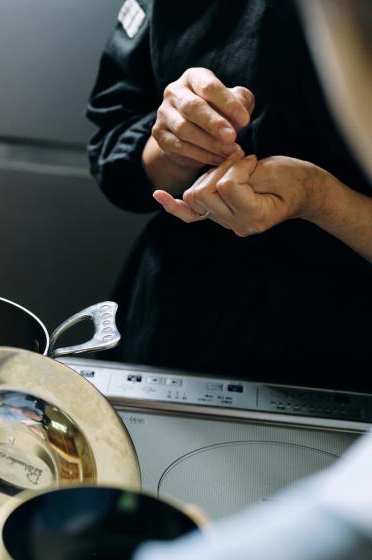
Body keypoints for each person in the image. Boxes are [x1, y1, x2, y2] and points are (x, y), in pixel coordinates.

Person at [87, 0, 372, 391]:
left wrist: (319, 198)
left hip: (345, 354)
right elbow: (115, 150)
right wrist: (174, 146)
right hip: (176, 326)